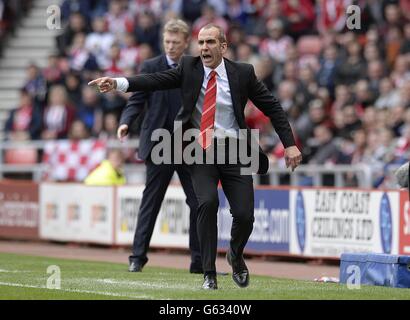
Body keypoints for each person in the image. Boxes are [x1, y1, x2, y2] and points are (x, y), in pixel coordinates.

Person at [89, 24, 302, 290]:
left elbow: (273, 108)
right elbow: (155, 81)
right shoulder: (189, 67)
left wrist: (290, 145)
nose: (204, 48)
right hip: (200, 149)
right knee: (207, 203)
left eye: (210, 42)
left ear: (223, 47)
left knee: (245, 215)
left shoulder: (243, 73)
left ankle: (235, 255)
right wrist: (119, 83)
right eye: (201, 42)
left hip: (236, 150)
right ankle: (208, 273)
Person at [116, 19, 202, 274]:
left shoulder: (195, 67)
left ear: (186, 43)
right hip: (158, 144)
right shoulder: (151, 66)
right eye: (167, 41)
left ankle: (199, 262)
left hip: (187, 144)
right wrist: (125, 122)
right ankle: (137, 257)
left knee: (199, 203)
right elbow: (137, 99)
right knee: (151, 202)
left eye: (176, 42)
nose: (171, 46)